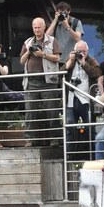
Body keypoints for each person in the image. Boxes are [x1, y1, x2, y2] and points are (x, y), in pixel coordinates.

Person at [19, 16, 62, 146]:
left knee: (52, 110)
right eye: (35, 27)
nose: (37, 30)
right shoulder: (28, 42)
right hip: (31, 81)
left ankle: (55, 139)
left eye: (39, 27)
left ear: (44, 27)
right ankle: (29, 140)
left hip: (48, 80)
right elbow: (21, 61)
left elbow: (57, 58)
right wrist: (29, 51)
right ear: (32, 28)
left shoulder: (52, 40)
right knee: (30, 111)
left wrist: (43, 54)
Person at [63, 40, 101, 160]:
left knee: (90, 127)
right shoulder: (72, 59)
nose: (81, 53)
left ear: (87, 51)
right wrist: (70, 60)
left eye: (83, 51)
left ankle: (91, 155)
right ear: (74, 50)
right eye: (79, 51)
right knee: (69, 127)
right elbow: (62, 71)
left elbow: (96, 73)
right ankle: (69, 155)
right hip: (71, 98)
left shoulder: (91, 60)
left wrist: (84, 62)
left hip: (86, 98)